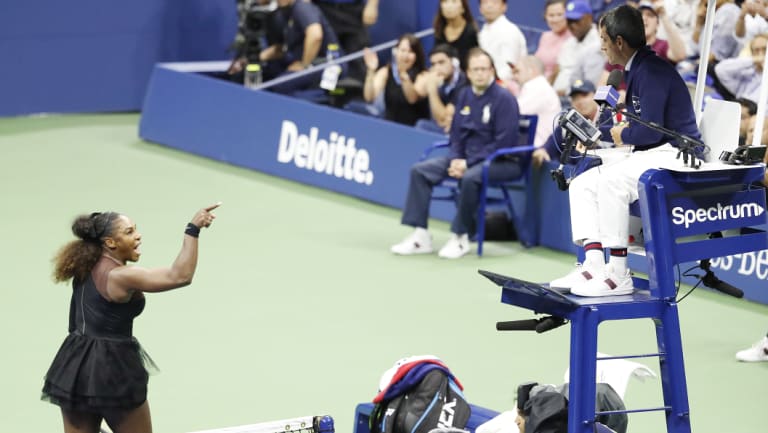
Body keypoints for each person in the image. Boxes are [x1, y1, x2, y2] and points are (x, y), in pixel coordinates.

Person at [549, 5, 701, 296]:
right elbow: (634, 128)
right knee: (582, 182)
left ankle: (618, 273)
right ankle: (593, 264)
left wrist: (624, 134)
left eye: (604, 39)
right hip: (652, 153)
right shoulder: (637, 69)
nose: (602, 46)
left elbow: (650, 130)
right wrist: (600, 135)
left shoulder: (652, 72)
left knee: (610, 182)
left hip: (677, 155)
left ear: (619, 42)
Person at [41, 204, 221, 432]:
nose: (138, 236)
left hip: (75, 366)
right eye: (129, 232)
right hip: (112, 369)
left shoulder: (84, 264)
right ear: (110, 243)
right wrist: (193, 229)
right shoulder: (120, 276)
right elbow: (180, 276)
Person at [390, 48, 521, 259]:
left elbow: (503, 143)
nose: (480, 73)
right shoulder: (465, 95)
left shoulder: (504, 99)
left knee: (470, 178)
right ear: (468, 73)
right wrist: (456, 159)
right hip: (466, 159)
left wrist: (467, 163)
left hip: (501, 162)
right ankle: (420, 235)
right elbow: (457, 135)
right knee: (420, 171)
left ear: (492, 71)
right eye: (475, 69)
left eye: (484, 69)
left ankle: (460, 237)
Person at [259, 0, 343, 95]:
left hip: (327, 63)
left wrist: (304, 65)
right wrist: (259, 57)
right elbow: (281, 48)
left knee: (282, 85)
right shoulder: (281, 13)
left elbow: (315, 36)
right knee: (265, 72)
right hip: (299, 59)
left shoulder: (302, 7)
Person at [532, 79, 604, 168]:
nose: (580, 101)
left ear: (595, 95)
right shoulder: (569, 121)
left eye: (584, 95)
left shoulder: (610, 118)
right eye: (575, 98)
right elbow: (550, 145)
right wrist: (542, 151)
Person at [362, 34, 430, 126]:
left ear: (417, 55)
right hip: (389, 125)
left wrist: (402, 73)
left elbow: (412, 99)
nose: (405, 55)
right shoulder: (386, 71)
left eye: (410, 52)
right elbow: (369, 97)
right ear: (395, 52)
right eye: (402, 50)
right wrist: (371, 71)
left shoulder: (423, 75)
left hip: (413, 129)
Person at [313, 0, 379, 82]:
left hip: (353, 10)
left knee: (358, 58)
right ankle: (326, 91)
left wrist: (372, 5)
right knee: (327, 56)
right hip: (323, 8)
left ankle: (358, 91)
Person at [553, 0, 606, 98]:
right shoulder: (568, 43)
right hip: (556, 96)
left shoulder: (599, 42)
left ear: (589, 18)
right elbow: (557, 71)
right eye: (569, 21)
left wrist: (567, 90)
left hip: (578, 99)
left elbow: (591, 83)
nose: (572, 25)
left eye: (576, 20)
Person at [414, 44, 469, 134]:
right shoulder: (440, 79)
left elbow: (442, 120)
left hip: (458, 132)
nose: (437, 68)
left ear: (454, 62)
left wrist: (432, 89)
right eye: (433, 64)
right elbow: (416, 94)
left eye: (441, 62)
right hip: (443, 127)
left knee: (421, 126)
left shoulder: (464, 84)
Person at [510, 55, 562, 148]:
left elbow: (510, 114)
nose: (514, 77)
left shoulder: (539, 88)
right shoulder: (537, 87)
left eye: (517, 71)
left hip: (539, 151)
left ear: (531, 70)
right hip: (532, 148)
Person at [478, 0, 528, 85]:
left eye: (494, 2)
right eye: (485, 2)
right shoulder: (483, 31)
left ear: (504, 7)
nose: (489, 6)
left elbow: (508, 69)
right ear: (480, 8)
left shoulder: (509, 31)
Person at [713, 32, 767, 104]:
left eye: (765, 49)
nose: (761, 54)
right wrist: (753, 60)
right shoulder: (746, 73)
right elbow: (720, 69)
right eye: (756, 50)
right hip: (740, 108)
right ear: (752, 53)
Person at [433, 0, 480, 72]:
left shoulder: (471, 32)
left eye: (454, 1)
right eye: (445, 2)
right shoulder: (439, 31)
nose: (449, 6)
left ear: (463, 8)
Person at [534, 0, 574, 83]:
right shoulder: (545, 36)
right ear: (545, 16)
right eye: (551, 15)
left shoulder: (573, 38)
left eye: (560, 14)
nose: (555, 19)